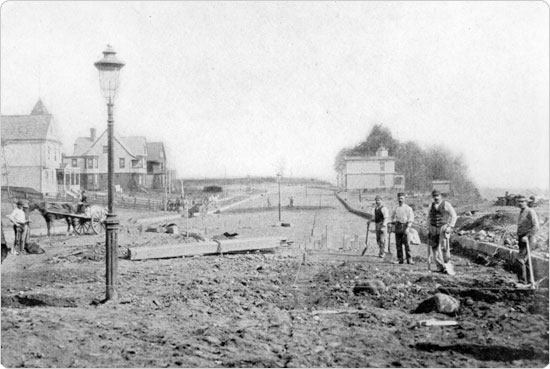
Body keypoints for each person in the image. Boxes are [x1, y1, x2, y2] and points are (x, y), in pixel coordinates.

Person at [427, 189, 457, 274]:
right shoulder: (431, 205)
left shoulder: (446, 204)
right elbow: (428, 217)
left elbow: (454, 216)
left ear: (441, 196)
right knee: (434, 247)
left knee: (444, 247)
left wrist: (450, 226)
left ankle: (447, 266)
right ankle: (440, 266)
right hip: (433, 228)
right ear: (432, 197)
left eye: (437, 196)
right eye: (434, 196)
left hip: (443, 227)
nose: (436, 198)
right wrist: (428, 227)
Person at [515, 195, 540, 286]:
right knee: (526, 261)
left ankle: (522, 282)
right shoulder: (521, 212)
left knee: (520, 259)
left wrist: (527, 236)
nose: (520, 203)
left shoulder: (530, 211)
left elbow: (536, 226)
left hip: (528, 239)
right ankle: (530, 281)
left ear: (526, 202)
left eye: (522, 201)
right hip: (522, 239)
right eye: (518, 201)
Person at [391, 192, 415, 264]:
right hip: (397, 226)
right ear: (397, 199)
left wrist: (408, 228)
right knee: (398, 244)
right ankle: (400, 259)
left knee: (407, 244)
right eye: (399, 198)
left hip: (405, 226)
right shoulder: (395, 208)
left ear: (404, 199)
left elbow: (411, 218)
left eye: (401, 198)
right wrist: (392, 222)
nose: (400, 200)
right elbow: (392, 217)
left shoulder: (408, 208)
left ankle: (409, 259)